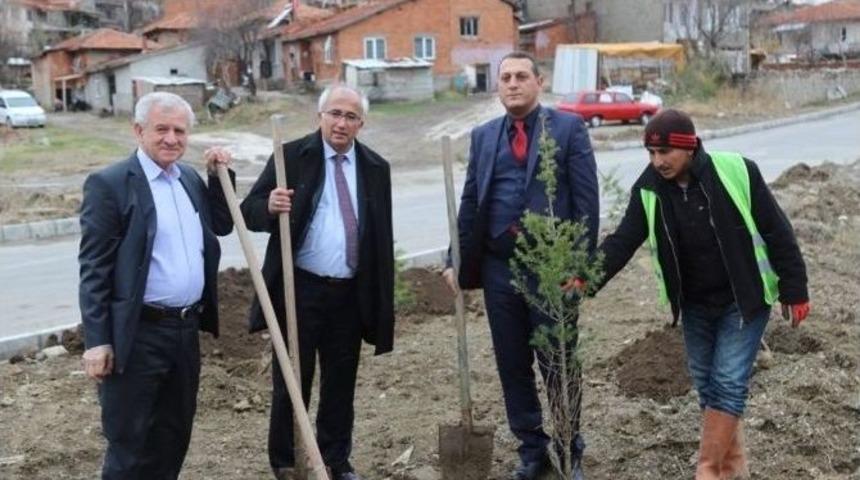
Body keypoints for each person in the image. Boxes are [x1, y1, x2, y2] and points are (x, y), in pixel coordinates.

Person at [579, 109, 809, 479]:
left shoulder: (736, 171)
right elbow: (623, 239)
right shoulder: (649, 189)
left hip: (744, 298)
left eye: (666, 152)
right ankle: (733, 470)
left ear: (689, 148)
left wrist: (795, 290)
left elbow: (778, 231)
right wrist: (584, 279)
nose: (658, 161)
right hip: (695, 304)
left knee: (729, 382)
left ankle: (707, 468)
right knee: (707, 387)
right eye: (651, 154)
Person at [443, 51, 599, 480]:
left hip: (551, 267)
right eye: (505, 77)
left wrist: (580, 266)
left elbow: (587, 202)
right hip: (498, 268)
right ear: (498, 86)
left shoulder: (567, 129)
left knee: (559, 359)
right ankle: (533, 450)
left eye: (521, 76)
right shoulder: (483, 136)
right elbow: (471, 201)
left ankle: (571, 447)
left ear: (538, 82)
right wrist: (454, 258)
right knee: (512, 361)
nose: (512, 83)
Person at [78, 91, 235, 479]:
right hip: (137, 334)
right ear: (138, 130)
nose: (171, 138)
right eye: (161, 129)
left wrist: (221, 177)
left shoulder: (190, 179)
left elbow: (222, 224)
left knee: (172, 437)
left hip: (184, 332)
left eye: (179, 131)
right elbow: (94, 268)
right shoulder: (111, 184)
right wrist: (97, 340)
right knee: (129, 442)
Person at [240, 84, 394, 480]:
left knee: (341, 384)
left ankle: (335, 461)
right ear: (319, 116)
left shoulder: (376, 168)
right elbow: (249, 212)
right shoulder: (291, 156)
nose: (341, 123)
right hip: (299, 291)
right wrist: (270, 207)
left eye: (351, 117)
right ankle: (288, 462)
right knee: (292, 382)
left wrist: (379, 301)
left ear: (361, 123)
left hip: (349, 293)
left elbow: (380, 238)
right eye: (335, 114)